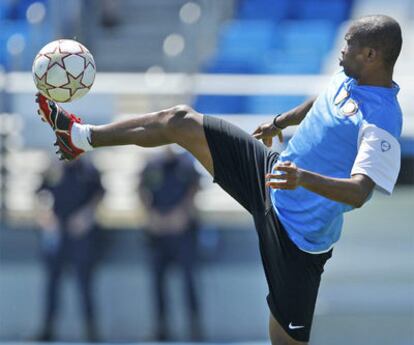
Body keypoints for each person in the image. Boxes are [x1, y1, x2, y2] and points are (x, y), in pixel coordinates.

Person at [35, 15, 403, 345]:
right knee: (180, 121)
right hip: (270, 174)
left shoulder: (382, 119)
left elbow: (358, 193)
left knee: (283, 341)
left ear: (371, 55)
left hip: (299, 238)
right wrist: (280, 121)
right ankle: (79, 137)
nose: (342, 50)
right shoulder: (349, 76)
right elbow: (322, 100)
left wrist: (302, 178)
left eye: (349, 44)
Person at [36, 159, 104, 342]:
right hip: (57, 234)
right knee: (52, 284)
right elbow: (41, 193)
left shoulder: (89, 169)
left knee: (85, 285)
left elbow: (99, 195)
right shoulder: (53, 167)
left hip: (81, 236)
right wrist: (46, 214)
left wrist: (86, 216)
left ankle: (91, 330)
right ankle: (48, 329)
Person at [138, 147, 202, 341]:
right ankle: (161, 328)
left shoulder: (186, 164)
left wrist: (182, 213)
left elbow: (195, 188)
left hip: (182, 233)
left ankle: (194, 328)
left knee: (188, 281)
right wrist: (151, 215)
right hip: (158, 234)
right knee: (158, 284)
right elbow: (141, 189)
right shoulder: (152, 164)